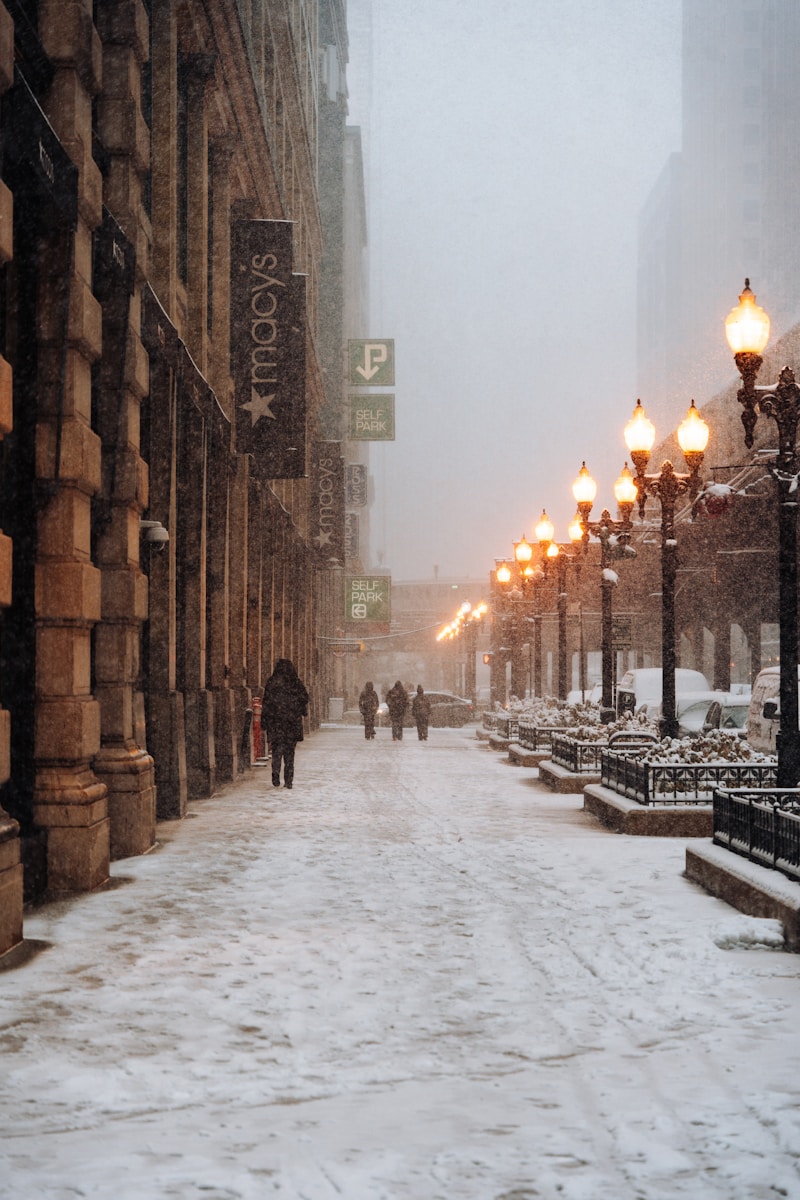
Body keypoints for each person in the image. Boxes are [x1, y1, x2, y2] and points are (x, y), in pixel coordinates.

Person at [260, 658, 309, 789]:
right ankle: (288, 779)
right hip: (291, 724)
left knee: (276, 750)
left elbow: (266, 703)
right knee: (289, 753)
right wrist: (299, 709)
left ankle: (275, 773)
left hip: (276, 723)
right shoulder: (295, 683)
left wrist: (264, 721)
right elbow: (305, 698)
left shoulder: (272, 682)